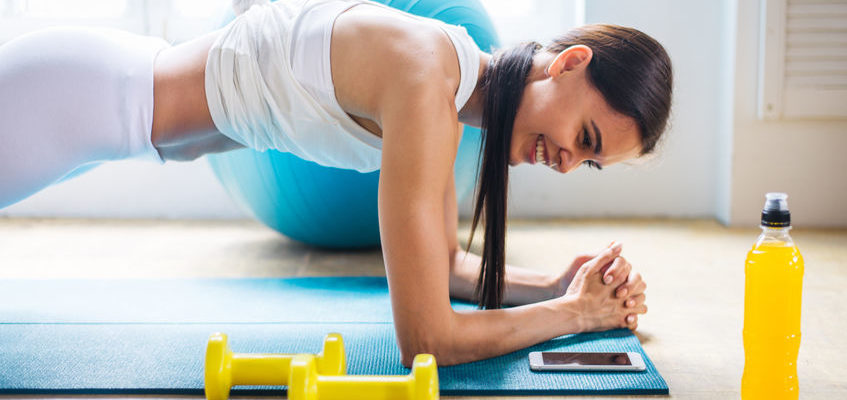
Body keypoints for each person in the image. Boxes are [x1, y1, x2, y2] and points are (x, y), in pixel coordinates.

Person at [0, 0, 672, 366]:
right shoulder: (425, 80)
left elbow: (440, 268)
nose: (564, 162)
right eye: (584, 137)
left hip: (109, 109)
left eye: (588, 162)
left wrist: (557, 284)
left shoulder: (451, 88)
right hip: (78, 100)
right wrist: (576, 316)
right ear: (569, 65)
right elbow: (427, 341)